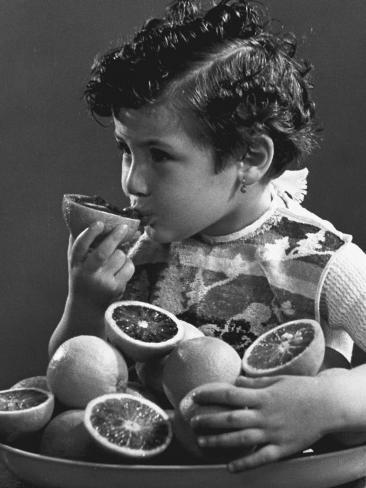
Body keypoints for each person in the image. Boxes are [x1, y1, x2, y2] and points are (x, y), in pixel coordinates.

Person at [49, 0, 366, 473]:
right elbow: (72, 381)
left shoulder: (320, 259)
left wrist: (325, 401)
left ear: (251, 158)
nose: (131, 183)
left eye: (158, 154)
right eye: (125, 149)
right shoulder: (142, 250)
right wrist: (86, 303)